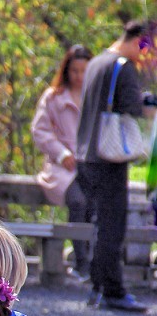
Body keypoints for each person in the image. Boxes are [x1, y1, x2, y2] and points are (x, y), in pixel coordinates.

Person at [76, 19, 156, 312]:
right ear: (138, 41)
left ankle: (99, 286)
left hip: (87, 152)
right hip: (108, 155)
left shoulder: (98, 61)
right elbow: (134, 108)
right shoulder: (122, 66)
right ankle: (113, 289)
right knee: (113, 225)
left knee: (101, 223)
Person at [31, 44, 94, 280]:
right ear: (67, 70)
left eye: (84, 71)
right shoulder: (54, 97)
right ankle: (81, 261)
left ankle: (91, 259)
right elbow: (40, 131)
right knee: (77, 201)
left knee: (95, 204)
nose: (79, 76)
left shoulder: (94, 96)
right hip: (61, 167)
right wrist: (61, 153)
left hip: (91, 164)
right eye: (75, 71)